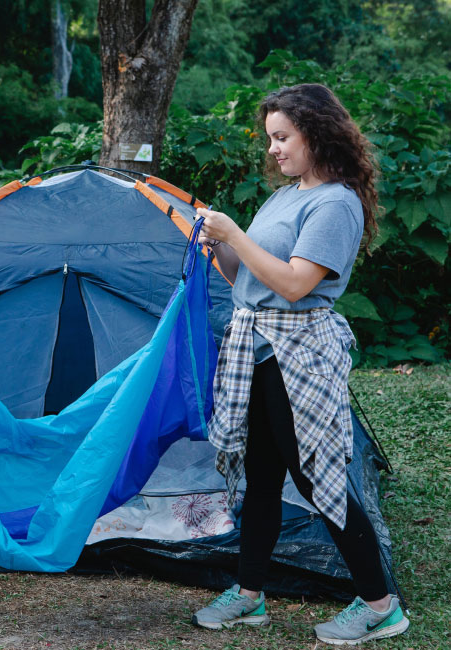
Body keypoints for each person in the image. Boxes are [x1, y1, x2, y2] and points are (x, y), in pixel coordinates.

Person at [190, 84, 409, 645]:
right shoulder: (285, 196)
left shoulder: (335, 203)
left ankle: (382, 606)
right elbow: (245, 279)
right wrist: (213, 240)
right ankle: (249, 594)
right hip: (258, 348)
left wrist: (235, 232)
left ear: (316, 132)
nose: (274, 150)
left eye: (283, 137)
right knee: (262, 477)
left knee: (317, 478)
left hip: (300, 352)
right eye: (271, 139)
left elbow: (293, 284)